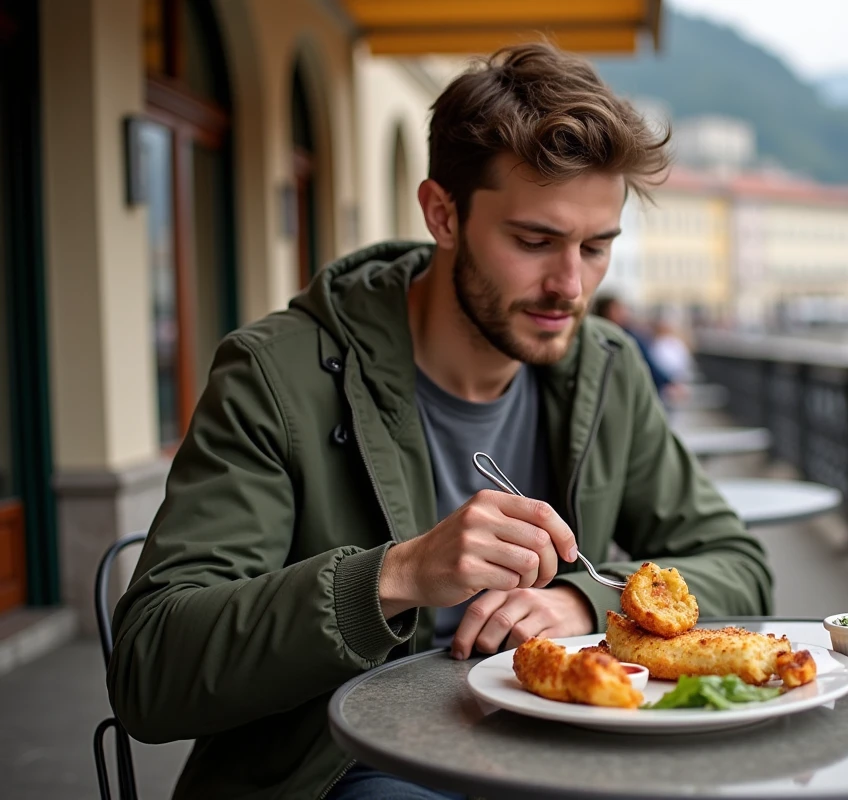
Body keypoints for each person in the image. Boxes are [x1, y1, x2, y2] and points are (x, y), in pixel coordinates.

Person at [107, 42, 772, 800]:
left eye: (596, 247)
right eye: (534, 241)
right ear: (441, 213)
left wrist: (581, 599)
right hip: (342, 770)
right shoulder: (274, 374)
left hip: (562, 750)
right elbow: (149, 671)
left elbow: (735, 561)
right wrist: (395, 576)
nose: (570, 286)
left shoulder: (607, 368)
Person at [592, 294, 674, 395]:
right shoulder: (625, 337)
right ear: (608, 311)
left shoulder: (626, 334)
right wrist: (667, 382)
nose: (624, 313)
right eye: (618, 309)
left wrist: (668, 382)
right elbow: (647, 363)